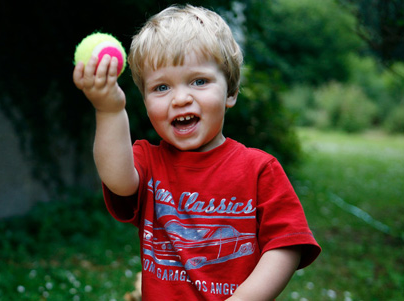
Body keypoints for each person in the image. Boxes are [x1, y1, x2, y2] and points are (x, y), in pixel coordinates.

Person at [72, 4, 321, 300]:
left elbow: (286, 245)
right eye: (161, 87)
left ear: (230, 92)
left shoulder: (259, 169)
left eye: (199, 81)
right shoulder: (149, 162)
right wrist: (109, 109)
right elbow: (118, 180)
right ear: (146, 101)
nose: (180, 98)